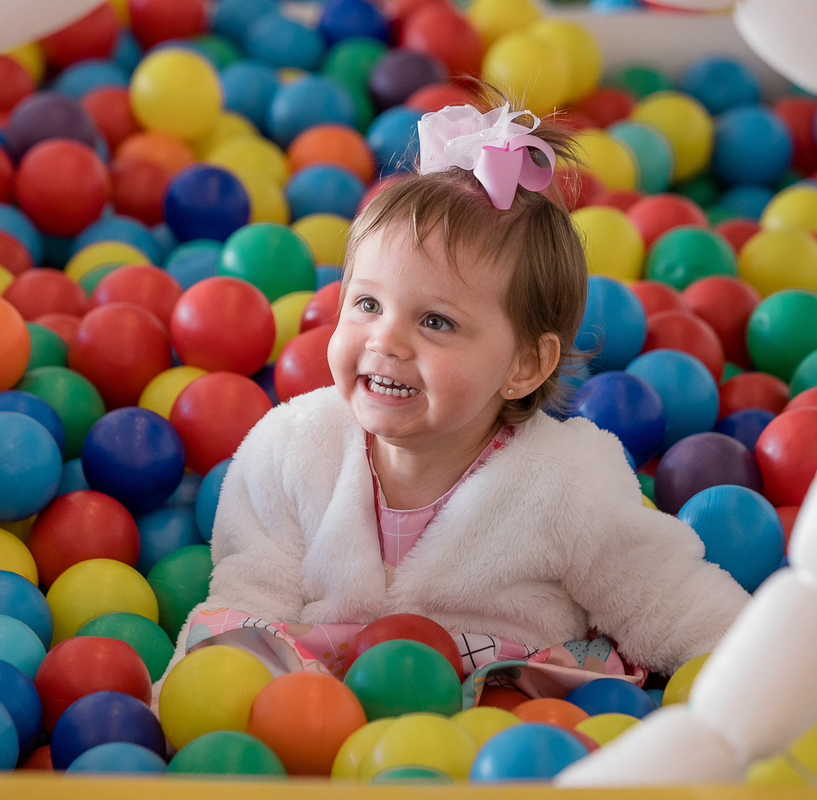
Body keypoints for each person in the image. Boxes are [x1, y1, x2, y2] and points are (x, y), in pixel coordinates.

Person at [157, 99, 750, 703]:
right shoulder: (291, 448)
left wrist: (765, 679)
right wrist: (195, 703)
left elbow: (669, 600)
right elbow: (247, 607)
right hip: (319, 709)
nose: (386, 340)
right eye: (367, 304)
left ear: (524, 366)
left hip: (503, 719)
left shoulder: (569, 482)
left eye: (435, 321)